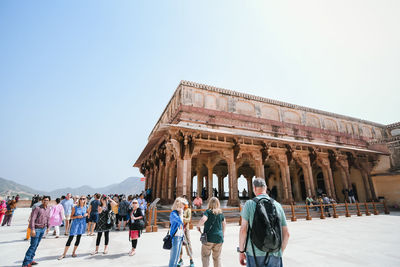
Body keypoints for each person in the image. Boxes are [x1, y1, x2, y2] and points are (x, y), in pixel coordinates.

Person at [239, 178, 289, 267]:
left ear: (254, 188)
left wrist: (241, 251)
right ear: (266, 188)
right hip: (275, 252)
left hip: (254, 253)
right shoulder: (277, 205)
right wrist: (280, 251)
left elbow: (243, 230)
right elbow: (287, 233)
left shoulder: (249, 204)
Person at [22, 196, 51, 267]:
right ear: (42, 201)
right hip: (36, 229)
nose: (45, 201)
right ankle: (25, 263)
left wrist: (48, 227)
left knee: (36, 245)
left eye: (47, 200)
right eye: (44, 200)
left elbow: (48, 218)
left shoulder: (48, 209)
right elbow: (32, 219)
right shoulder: (37, 208)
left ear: (48, 201)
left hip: (43, 229)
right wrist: (32, 229)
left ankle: (30, 260)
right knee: (33, 246)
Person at [197, 197, 226, 267]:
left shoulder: (208, 212)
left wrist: (198, 225)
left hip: (209, 238)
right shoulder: (220, 213)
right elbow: (224, 224)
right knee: (217, 258)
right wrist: (223, 234)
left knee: (205, 256)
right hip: (219, 238)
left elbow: (203, 219)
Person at [58, 196, 88, 260]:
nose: (82, 200)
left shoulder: (86, 207)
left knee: (78, 239)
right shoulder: (75, 207)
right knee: (70, 238)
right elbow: (71, 217)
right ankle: (64, 254)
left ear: (85, 200)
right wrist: (77, 216)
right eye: (81, 198)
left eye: (84, 199)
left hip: (82, 225)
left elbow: (88, 213)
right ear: (79, 200)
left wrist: (86, 214)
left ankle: (74, 252)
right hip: (75, 224)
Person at [169, 197, 186, 267]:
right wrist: (181, 213)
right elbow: (181, 221)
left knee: (177, 256)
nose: (184, 206)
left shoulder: (178, 213)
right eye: (183, 204)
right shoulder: (173, 214)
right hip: (175, 237)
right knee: (174, 256)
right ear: (179, 204)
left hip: (180, 236)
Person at [177, 200, 194, 267]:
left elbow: (188, 219)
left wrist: (181, 218)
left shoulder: (188, 210)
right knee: (179, 244)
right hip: (179, 229)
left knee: (188, 243)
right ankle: (180, 259)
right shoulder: (179, 210)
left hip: (186, 228)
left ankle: (191, 260)